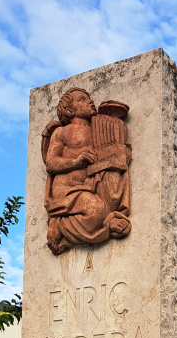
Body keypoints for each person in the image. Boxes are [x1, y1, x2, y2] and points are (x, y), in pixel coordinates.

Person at [43, 88, 131, 255]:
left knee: (114, 183)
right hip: (67, 190)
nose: (89, 101)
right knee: (95, 210)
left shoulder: (99, 130)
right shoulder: (62, 132)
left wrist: (122, 153)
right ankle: (60, 223)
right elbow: (51, 163)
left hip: (92, 184)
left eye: (89, 98)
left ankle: (107, 219)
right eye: (82, 99)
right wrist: (77, 161)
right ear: (69, 110)